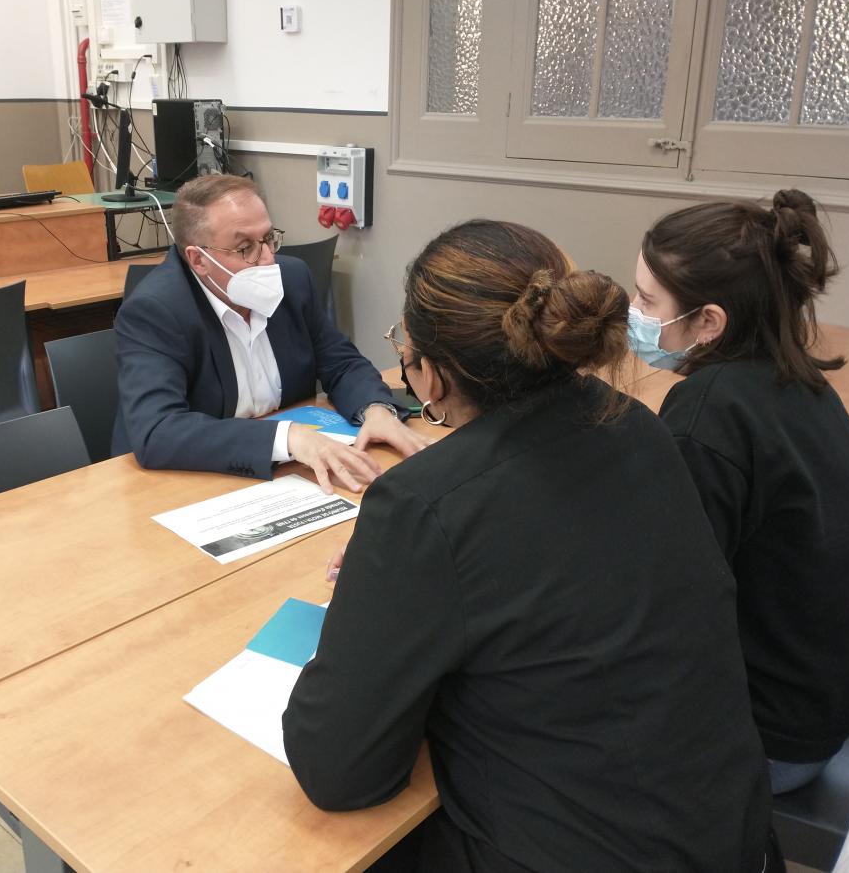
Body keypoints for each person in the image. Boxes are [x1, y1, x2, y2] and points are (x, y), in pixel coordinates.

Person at [283, 220, 773, 872]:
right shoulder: (634, 425)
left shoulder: (425, 504)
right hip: (731, 834)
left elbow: (338, 770)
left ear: (431, 377)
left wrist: (376, 605)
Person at [629, 189, 849, 794]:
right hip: (822, 707)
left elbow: (666, 608)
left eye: (646, 300)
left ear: (709, 322)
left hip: (765, 744)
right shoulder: (797, 380)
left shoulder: (708, 412)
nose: (632, 312)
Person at [111, 174, 427, 491]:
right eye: (245, 247)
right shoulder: (155, 311)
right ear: (199, 259)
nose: (267, 259)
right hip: (184, 480)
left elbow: (341, 362)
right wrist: (287, 437)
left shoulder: (291, 279)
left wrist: (376, 409)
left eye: (268, 238)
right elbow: (158, 430)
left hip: (286, 475)